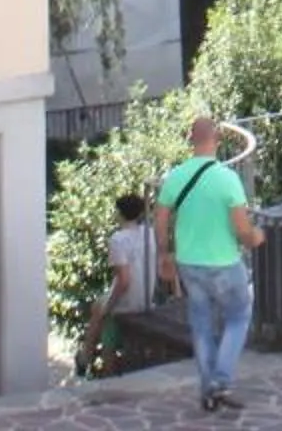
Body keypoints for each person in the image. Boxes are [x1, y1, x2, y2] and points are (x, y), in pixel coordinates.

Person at [156, 115, 264, 413]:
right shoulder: (227, 179)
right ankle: (221, 378)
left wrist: (164, 254)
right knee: (239, 316)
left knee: (201, 323)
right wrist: (256, 237)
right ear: (216, 140)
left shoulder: (175, 176)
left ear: (191, 141)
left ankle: (208, 389)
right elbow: (242, 230)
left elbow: (160, 218)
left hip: (188, 262)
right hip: (224, 261)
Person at [77, 191, 156, 378]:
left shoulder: (118, 240)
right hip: (147, 294)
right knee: (100, 309)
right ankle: (87, 357)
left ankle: (89, 359)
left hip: (130, 299)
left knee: (103, 314)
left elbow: (124, 281)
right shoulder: (150, 233)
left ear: (120, 213)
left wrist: (110, 307)